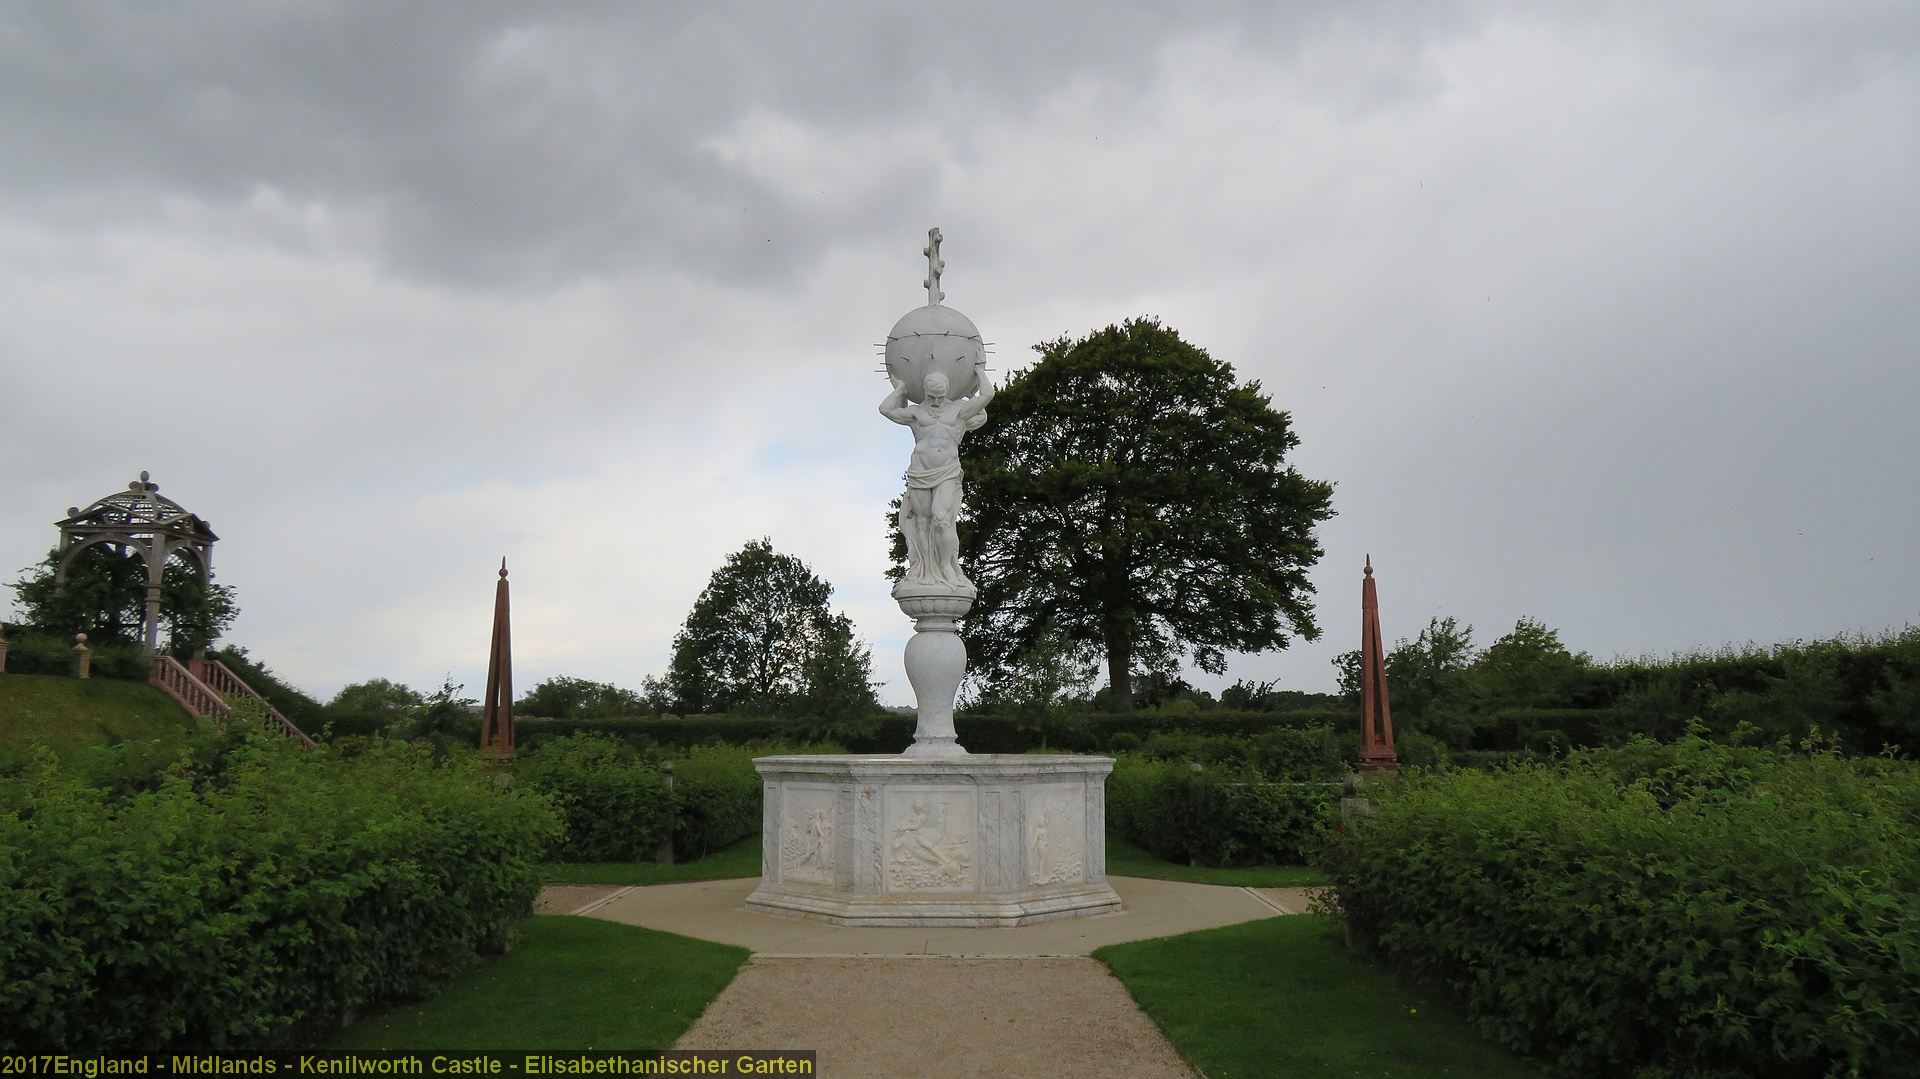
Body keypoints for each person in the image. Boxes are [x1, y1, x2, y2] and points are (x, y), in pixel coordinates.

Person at [879, 359, 994, 591]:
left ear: (947, 392)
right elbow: (885, 410)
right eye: (931, 397)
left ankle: (946, 566)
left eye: (940, 397)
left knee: (941, 519)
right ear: (925, 392)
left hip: (947, 471)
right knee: (922, 522)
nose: (935, 401)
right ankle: (927, 570)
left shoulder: (958, 409)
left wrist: (979, 373)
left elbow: (988, 395)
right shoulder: (916, 412)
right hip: (920, 471)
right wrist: (900, 389)